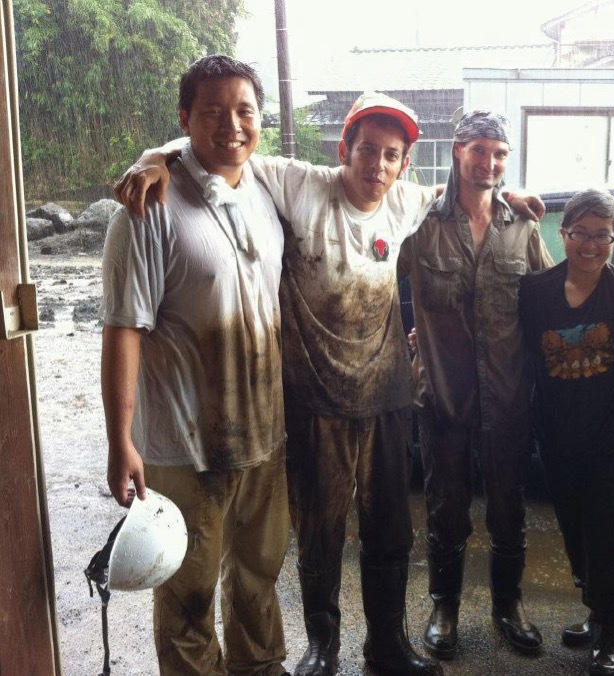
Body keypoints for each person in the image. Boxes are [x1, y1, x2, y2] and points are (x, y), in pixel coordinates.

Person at [113, 92, 543, 676]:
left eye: (391, 155)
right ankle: (323, 648)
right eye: (367, 150)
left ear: (405, 165)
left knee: (390, 532)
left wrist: (509, 193)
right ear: (345, 149)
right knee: (320, 534)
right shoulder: (300, 185)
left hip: (388, 399)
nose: (377, 165)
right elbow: (225, 148)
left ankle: (387, 647)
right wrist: (154, 158)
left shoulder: (409, 202)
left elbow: (473, 191)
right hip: (315, 402)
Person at [101, 55, 290, 676]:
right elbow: (123, 328)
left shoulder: (262, 188)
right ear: (185, 118)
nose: (232, 125)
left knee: (260, 575)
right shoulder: (147, 206)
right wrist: (120, 441)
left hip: (264, 437)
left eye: (244, 111)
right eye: (213, 111)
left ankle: (260, 668)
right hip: (186, 449)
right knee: (188, 592)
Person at [397, 109, 553, 660]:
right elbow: (375, 277)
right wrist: (406, 339)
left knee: (509, 510)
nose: (489, 162)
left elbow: (547, 300)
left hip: (507, 398)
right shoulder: (420, 222)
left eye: (499, 153)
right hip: (442, 397)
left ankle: (508, 606)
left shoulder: (523, 226)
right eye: (479, 150)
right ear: (457, 151)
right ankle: (444, 607)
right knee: (446, 510)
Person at [518, 188, 614, 675]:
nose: (591, 245)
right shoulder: (535, 291)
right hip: (559, 438)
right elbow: (511, 347)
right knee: (576, 535)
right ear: (564, 234)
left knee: (606, 538)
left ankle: (612, 630)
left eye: (603, 235)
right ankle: (598, 610)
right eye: (581, 233)